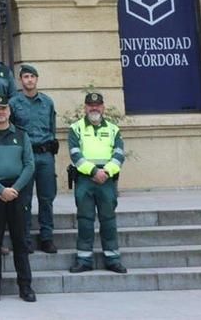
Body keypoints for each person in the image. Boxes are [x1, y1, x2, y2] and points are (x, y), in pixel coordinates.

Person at [0, 94, 36, 303]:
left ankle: (26, 286)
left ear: (9, 111)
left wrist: (14, 189)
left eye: (3, 109)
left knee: (20, 241)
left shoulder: (21, 135)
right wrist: (1, 189)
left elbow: (29, 164)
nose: (0, 112)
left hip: (17, 192)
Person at [68, 91, 128, 274]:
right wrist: (94, 171)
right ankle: (83, 259)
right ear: (85, 107)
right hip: (85, 179)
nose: (94, 108)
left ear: (103, 107)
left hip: (107, 179)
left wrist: (106, 172)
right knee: (85, 220)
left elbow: (119, 154)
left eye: (98, 105)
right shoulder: (76, 128)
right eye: (90, 105)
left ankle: (112, 258)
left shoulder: (113, 129)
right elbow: (75, 154)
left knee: (108, 219)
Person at [8, 63, 58, 253]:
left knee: (47, 198)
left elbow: (52, 127)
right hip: (24, 157)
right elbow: (10, 130)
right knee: (24, 199)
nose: (29, 80)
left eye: (32, 77)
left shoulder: (47, 102)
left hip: (45, 155)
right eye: (25, 77)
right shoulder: (13, 103)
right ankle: (25, 238)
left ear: (37, 79)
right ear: (20, 81)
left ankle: (47, 237)